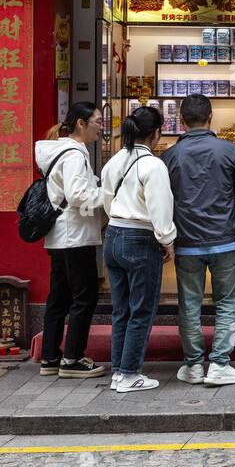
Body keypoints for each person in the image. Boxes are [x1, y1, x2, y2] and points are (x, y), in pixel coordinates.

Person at [163, 94, 235, 388]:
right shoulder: (228, 150)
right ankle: (220, 364)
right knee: (226, 303)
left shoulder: (171, 156)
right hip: (224, 237)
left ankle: (193, 365)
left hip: (187, 240)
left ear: (182, 121)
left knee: (189, 304)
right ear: (211, 117)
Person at [101, 105, 176, 393]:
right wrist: (167, 240)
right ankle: (131, 373)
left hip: (114, 234)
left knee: (121, 310)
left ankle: (119, 371)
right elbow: (160, 209)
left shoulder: (116, 160)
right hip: (140, 239)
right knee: (142, 310)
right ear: (156, 133)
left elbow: (106, 198)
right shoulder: (154, 166)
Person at [33, 102, 107, 379]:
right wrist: (107, 195)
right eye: (97, 122)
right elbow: (78, 196)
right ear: (80, 123)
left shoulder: (59, 150)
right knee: (83, 298)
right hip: (76, 236)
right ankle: (73, 358)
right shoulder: (75, 154)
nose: (101, 127)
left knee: (59, 298)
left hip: (59, 236)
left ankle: (50, 357)